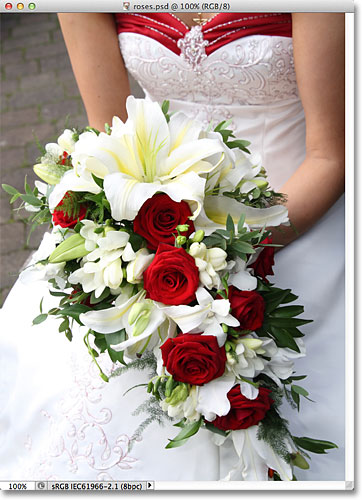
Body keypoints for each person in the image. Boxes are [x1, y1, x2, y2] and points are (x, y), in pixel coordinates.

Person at [0, 12, 345, 482]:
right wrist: (150, 253)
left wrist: (225, 255)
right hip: (152, 222)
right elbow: (108, 133)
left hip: (294, 208)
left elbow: (332, 154)